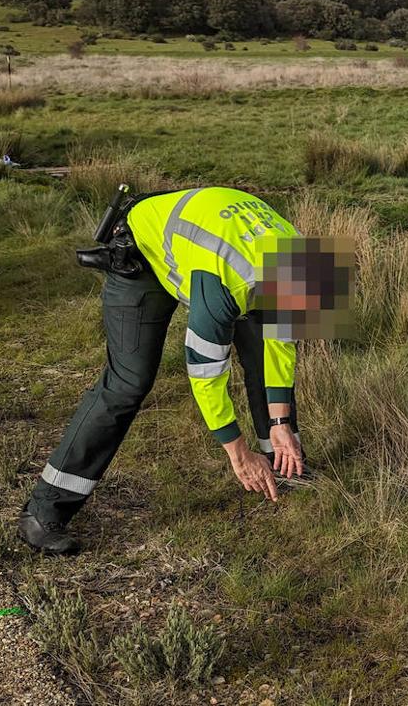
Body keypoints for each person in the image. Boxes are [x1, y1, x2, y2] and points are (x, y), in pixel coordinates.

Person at [18, 186, 322, 555]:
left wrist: (281, 424)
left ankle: (281, 464)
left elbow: (281, 345)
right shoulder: (228, 279)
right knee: (129, 382)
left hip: (205, 244)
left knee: (262, 352)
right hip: (144, 255)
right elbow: (205, 373)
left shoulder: (302, 259)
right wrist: (238, 455)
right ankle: (43, 511)